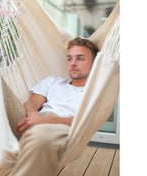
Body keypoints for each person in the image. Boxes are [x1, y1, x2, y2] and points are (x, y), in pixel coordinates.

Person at [8, 37, 99, 176]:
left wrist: (44, 121)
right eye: (69, 59)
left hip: (61, 127)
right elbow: (32, 103)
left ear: (94, 63)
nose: (73, 63)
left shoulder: (95, 92)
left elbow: (86, 122)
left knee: (40, 137)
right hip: (31, 120)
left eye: (80, 58)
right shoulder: (54, 81)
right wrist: (34, 115)